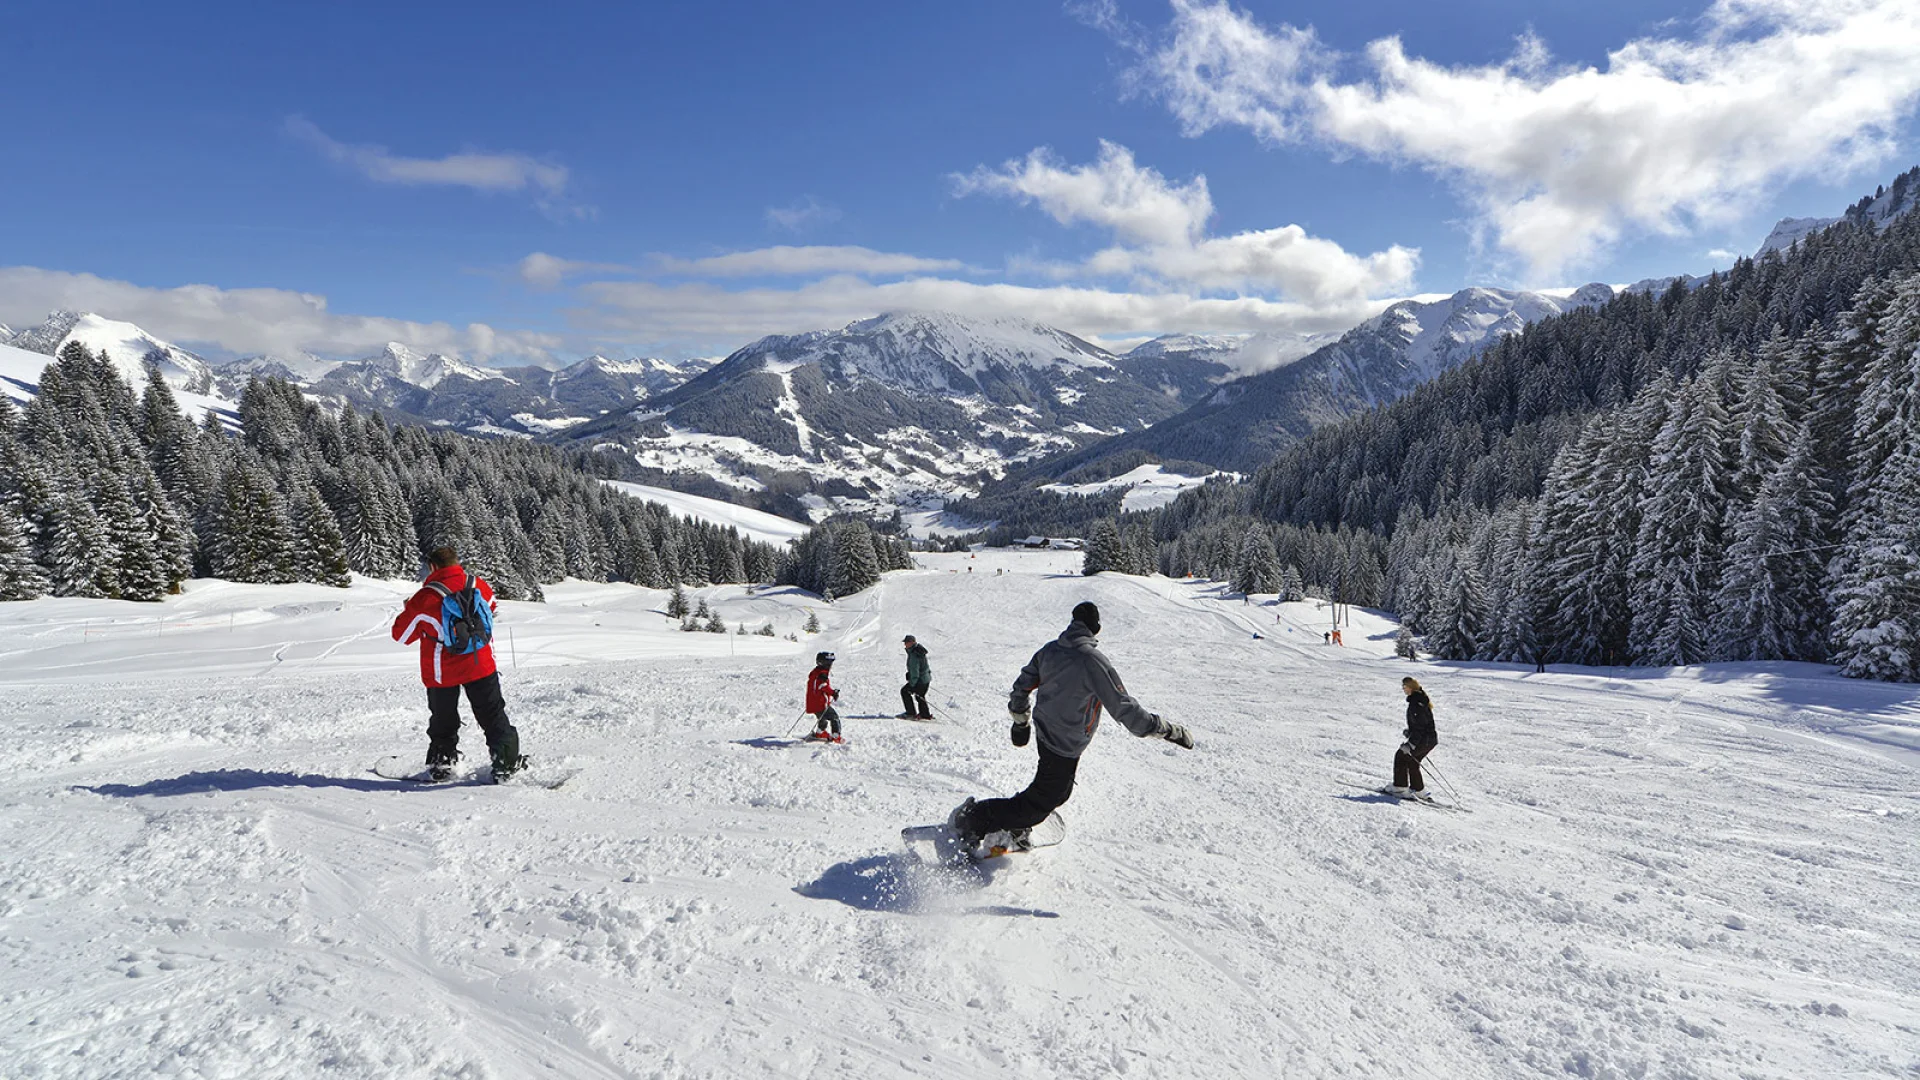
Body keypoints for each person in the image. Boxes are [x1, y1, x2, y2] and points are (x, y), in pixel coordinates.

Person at [948, 602, 1193, 851]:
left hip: (1049, 735)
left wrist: (1021, 722)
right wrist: (1167, 729)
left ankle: (1011, 821)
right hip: (1063, 742)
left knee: (1057, 792)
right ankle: (973, 817)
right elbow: (1124, 708)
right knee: (1040, 803)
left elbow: (1022, 686)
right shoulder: (1092, 661)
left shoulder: (1049, 651)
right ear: (1095, 628)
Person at [391, 546, 524, 781]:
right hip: (480, 662)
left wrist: (413, 612)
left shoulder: (426, 597)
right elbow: (491, 608)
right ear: (456, 562)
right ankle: (507, 764)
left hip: (442, 671)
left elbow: (401, 635)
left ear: (432, 566)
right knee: (493, 714)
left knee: (443, 721)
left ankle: (443, 766)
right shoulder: (477, 584)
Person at [1388, 677, 1438, 799]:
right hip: (1429, 740)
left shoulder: (1416, 703)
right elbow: (1421, 724)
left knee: (1401, 756)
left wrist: (1410, 745)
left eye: (1404, 687)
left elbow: (1420, 727)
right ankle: (1418, 790)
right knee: (1412, 761)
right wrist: (1410, 733)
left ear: (1411, 687)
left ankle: (1400, 788)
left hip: (1424, 740)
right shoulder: (1419, 699)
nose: (1403, 689)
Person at [806, 651, 842, 742]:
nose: (831, 665)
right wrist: (833, 693)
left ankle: (820, 733)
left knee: (823, 719)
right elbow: (823, 686)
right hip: (820, 703)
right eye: (829, 663)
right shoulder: (822, 674)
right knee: (834, 718)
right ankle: (836, 736)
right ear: (824, 663)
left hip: (812, 702)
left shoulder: (815, 672)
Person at [898, 635, 932, 719]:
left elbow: (915, 672)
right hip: (925, 679)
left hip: (920, 680)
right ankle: (925, 714)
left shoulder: (914, 655)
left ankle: (911, 713)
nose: (905, 644)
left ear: (912, 642)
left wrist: (912, 684)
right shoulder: (918, 650)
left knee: (905, 691)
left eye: (906, 642)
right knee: (920, 696)